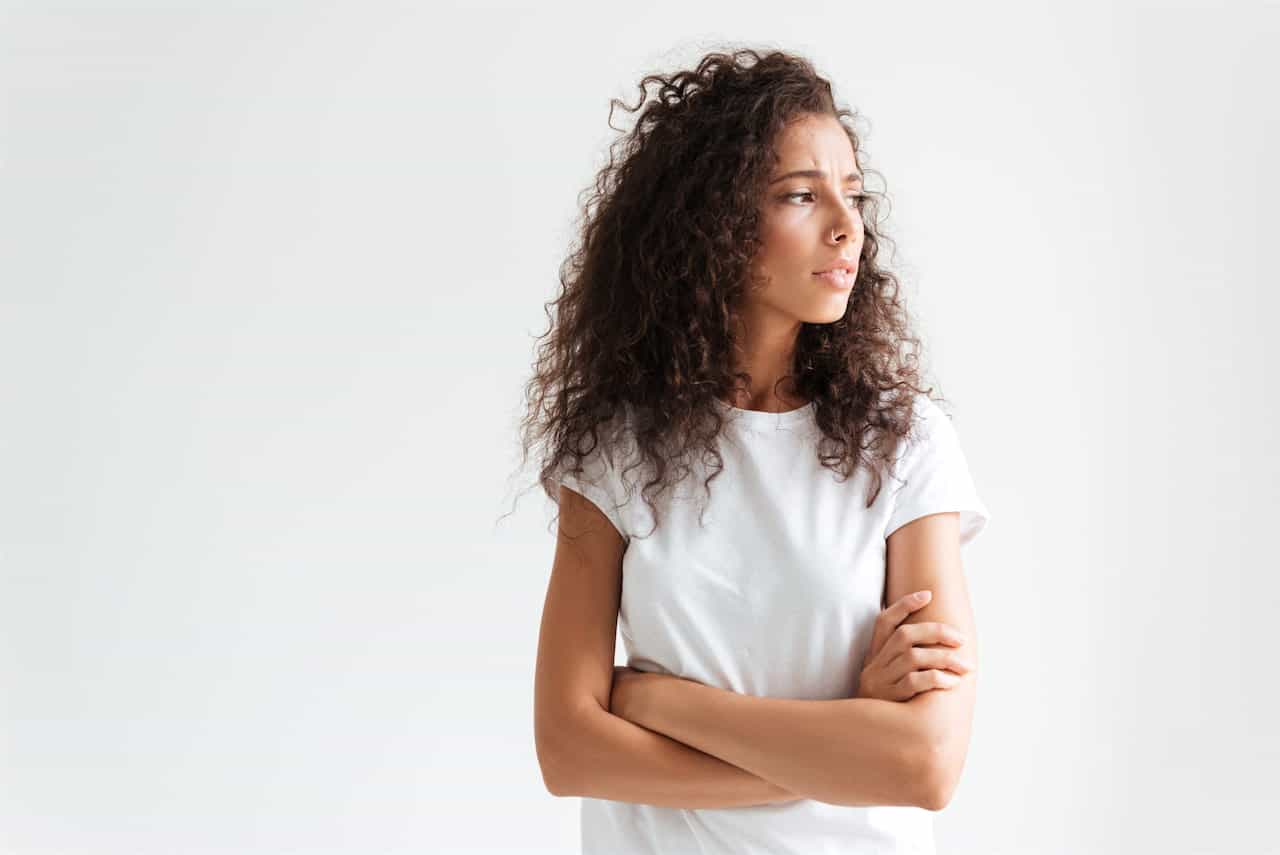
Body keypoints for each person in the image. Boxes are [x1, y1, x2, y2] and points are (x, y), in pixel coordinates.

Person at [522, 46, 992, 855]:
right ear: (712, 223)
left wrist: (660, 704)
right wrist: (845, 738)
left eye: (853, 193)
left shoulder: (906, 444)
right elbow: (568, 752)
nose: (847, 225)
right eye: (802, 195)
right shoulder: (617, 450)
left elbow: (925, 763)